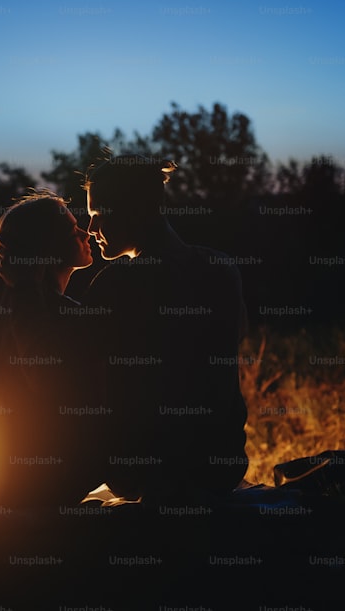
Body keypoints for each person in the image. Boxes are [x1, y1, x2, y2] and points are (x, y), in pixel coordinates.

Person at [83, 154, 249, 505]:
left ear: (134, 209)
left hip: (138, 474)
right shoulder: (223, 269)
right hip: (221, 469)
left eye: (98, 215)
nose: (90, 230)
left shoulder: (114, 285)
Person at [0, 191, 104, 509]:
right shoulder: (54, 314)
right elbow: (50, 384)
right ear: (47, 247)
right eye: (71, 229)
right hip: (27, 482)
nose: (85, 232)